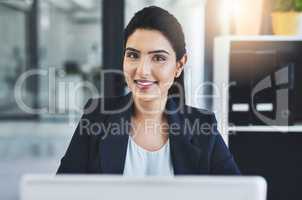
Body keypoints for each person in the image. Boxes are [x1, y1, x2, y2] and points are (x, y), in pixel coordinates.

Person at [57, 6, 240, 176]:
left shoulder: (203, 126)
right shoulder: (95, 117)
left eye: (158, 58)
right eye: (133, 55)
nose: (142, 70)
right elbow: (60, 191)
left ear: (179, 65)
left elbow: (238, 192)